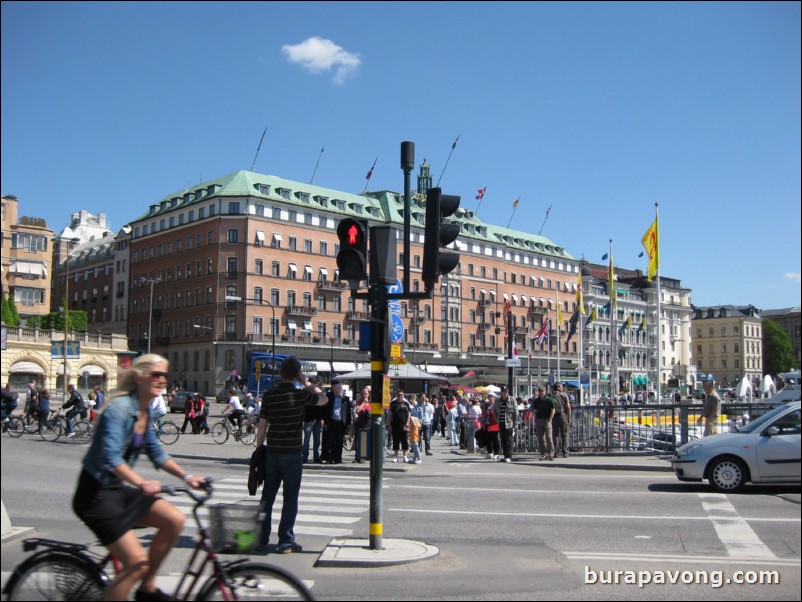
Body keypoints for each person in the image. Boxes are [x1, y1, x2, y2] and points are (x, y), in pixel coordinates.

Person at [71, 354, 206, 602]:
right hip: (95, 496)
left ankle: (147, 589)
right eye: (156, 374)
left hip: (116, 491)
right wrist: (141, 483)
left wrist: (187, 477)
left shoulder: (142, 413)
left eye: (165, 375)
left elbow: (157, 453)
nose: (162, 380)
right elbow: (111, 458)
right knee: (136, 563)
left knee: (174, 519)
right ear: (140, 377)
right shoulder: (120, 409)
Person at [256, 356, 327, 553]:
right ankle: (285, 541)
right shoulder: (300, 394)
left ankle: (261, 537)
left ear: (280, 374)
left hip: (272, 452)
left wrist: (258, 448)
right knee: (290, 497)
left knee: (267, 497)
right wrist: (308, 384)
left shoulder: (269, 395)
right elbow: (324, 399)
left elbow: (262, 426)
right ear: (297, 375)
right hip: (293, 453)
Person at [321, 381, 352, 464]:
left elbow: (348, 412)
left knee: (339, 441)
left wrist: (348, 424)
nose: (337, 391)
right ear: (333, 390)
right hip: (331, 422)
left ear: (341, 390)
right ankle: (329, 458)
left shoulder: (345, 399)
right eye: (336, 389)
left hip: (341, 423)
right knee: (330, 441)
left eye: (339, 389)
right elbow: (325, 410)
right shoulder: (329, 397)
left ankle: (338, 459)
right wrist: (325, 422)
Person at [493, 386, 519, 463]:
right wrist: (497, 419)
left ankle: (509, 456)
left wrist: (516, 424)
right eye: (503, 391)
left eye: (506, 391)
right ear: (501, 392)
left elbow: (516, 412)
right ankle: (505, 456)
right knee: (503, 440)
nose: (505, 393)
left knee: (509, 440)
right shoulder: (497, 400)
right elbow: (494, 410)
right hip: (501, 422)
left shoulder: (512, 399)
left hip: (509, 423)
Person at [388, 390, 412, 463]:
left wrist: (407, 424)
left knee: (404, 441)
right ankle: (396, 456)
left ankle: (404, 456)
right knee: (395, 441)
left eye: (401, 395)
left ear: (403, 396)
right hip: (395, 425)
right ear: (396, 395)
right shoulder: (392, 404)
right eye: (398, 395)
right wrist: (389, 425)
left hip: (404, 425)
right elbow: (390, 415)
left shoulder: (406, 404)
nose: (400, 396)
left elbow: (409, 414)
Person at [533, 386, 556, 460]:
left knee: (549, 438)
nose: (541, 392)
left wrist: (550, 419)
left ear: (545, 392)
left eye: (542, 391)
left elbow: (553, 410)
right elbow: (535, 410)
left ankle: (551, 454)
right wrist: (535, 418)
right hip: (539, 420)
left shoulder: (549, 400)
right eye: (540, 391)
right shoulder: (536, 401)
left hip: (547, 420)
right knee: (541, 438)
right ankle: (544, 454)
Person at [552, 383, 571, 458]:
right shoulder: (564, 395)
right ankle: (565, 452)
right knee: (564, 434)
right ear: (558, 388)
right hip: (562, 415)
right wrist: (569, 417)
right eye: (561, 387)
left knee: (555, 435)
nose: (562, 388)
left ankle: (555, 452)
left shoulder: (551, 395)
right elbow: (568, 407)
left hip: (553, 416)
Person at [353, 387, 371, 463]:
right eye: (363, 394)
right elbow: (357, 411)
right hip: (361, 422)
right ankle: (358, 456)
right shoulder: (359, 401)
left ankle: (365, 455)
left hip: (368, 423)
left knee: (367, 440)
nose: (364, 395)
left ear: (369, 394)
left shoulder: (371, 402)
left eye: (366, 394)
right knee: (358, 440)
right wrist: (363, 403)